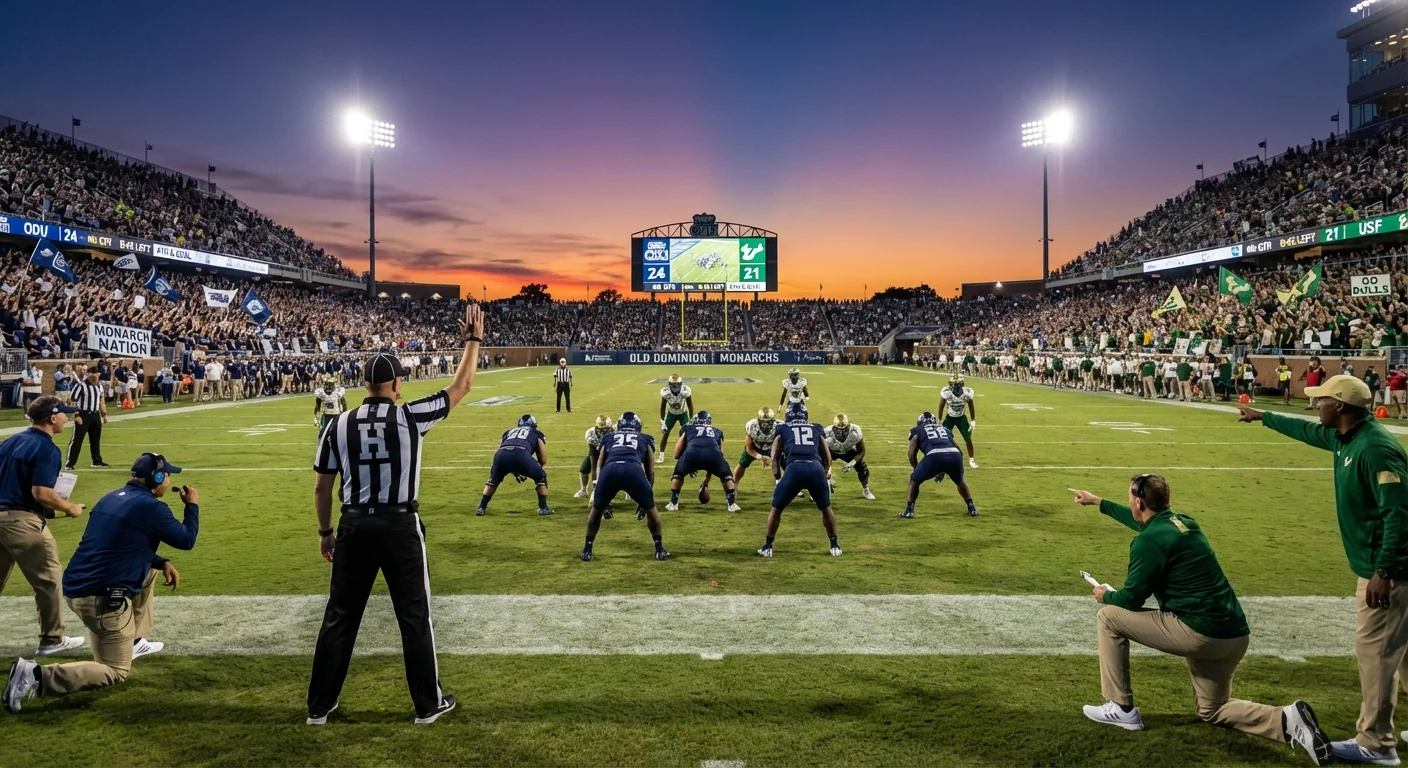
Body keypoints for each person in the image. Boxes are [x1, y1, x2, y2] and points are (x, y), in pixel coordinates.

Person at [1068, 476, 1331, 765]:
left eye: (1130, 498)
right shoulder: (1185, 523)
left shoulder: (1147, 542)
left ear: (1140, 502)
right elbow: (1146, 527)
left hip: (1200, 633)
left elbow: (1131, 599)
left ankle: (1121, 708)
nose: (1129, 502)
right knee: (1212, 709)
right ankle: (1288, 719)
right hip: (1234, 634)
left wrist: (1106, 594)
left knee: (1109, 617)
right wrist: (1099, 502)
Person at [307, 305, 485, 726]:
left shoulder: (338, 424)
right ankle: (427, 704)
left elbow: (321, 486)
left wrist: (326, 532)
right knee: (414, 616)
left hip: (353, 524)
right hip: (400, 525)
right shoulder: (409, 415)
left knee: (339, 617)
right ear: (397, 385)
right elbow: (461, 387)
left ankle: (319, 707)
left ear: (364, 384)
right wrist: (473, 341)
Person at [1242, 375, 1408, 764]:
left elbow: (1398, 513)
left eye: (1323, 401)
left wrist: (1383, 570)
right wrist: (1262, 417)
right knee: (1403, 653)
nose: (1316, 406)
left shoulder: (1375, 448)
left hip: (1389, 571)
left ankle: (1377, 743)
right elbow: (1303, 429)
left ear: (1343, 407)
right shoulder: (1346, 436)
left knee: (1379, 654)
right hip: (1390, 567)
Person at [3, 453, 197, 713]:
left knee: (149, 571)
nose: (169, 479)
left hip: (78, 589)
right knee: (115, 671)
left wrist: (160, 561)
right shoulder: (151, 507)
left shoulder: (111, 497)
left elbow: (117, 543)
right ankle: (36, 675)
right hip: (102, 600)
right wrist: (191, 505)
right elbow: (186, 540)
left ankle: (134, 640)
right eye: (167, 475)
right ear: (157, 477)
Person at [0, 396, 87, 659]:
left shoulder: (11, 441)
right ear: (52, 418)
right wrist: (68, 507)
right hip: (21, 521)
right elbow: (41, 493)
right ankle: (52, 639)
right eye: (65, 415)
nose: (67, 419)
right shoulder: (47, 448)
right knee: (48, 580)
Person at [582, 411, 669, 561]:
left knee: (596, 511)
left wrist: (601, 495)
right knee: (652, 511)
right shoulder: (645, 438)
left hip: (610, 470)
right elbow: (651, 472)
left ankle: (587, 550)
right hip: (633, 470)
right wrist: (646, 499)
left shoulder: (609, 437)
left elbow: (600, 465)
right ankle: (659, 549)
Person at [758, 403, 840, 557]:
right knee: (825, 508)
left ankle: (767, 546)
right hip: (815, 468)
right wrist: (823, 474)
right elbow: (827, 456)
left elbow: (774, 457)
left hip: (794, 469)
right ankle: (835, 545)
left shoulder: (782, 429)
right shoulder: (816, 427)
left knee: (776, 509)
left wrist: (777, 478)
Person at [903, 411, 978, 518]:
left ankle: (909, 510)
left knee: (914, 480)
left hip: (934, 456)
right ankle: (972, 508)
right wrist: (946, 469)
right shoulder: (945, 429)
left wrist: (916, 468)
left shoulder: (916, 430)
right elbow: (959, 451)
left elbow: (911, 454)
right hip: (954, 455)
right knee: (960, 481)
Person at [475, 415, 553, 516]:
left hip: (500, 455)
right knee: (541, 477)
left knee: (493, 481)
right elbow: (542, 459)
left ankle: (481, 507)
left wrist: (516, 471)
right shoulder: (535, 433)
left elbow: (507, 449)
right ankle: (543, 508)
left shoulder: (509, 432)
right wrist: (534, 470)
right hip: (521, 454)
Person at [664, 411, 740, 512]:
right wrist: (707, 479)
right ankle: (731, 504)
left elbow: (677, 454)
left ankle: (673, 503)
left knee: (678, 475)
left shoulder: (688, 429)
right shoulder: (717, 431)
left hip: (691, 454)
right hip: (714, 456)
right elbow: (720, 455)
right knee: (727, 478)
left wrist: (688, 465)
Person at [65, 367, 108, 470]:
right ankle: (70, 463)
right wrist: (76, 415)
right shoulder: (81, 386)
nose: (93, 376)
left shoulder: (99, 386)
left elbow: (101, 400)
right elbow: (71, 401)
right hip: (83, 414)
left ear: (98, 374)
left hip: (95, 415)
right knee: (77, 440)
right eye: (91, 374)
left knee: (95, 440)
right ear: (87, 374)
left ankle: (97, 461)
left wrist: (104, 414)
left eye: (95, 374)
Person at [824, 413, 875, 500]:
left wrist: (851, 463)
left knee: (862, 467)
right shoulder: (826, 432)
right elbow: (821, 451)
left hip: (848, 451)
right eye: (838, 430)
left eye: (844, 429)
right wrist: (827, 466)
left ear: (848, 426)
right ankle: (822, 487)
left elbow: (861, 451)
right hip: (830, 451)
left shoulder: (855, 431)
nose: (841, 432)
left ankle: (866, 489)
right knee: (819, 466)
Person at [939, 375, 978, 469]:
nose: (951, 386)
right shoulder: (947, 392)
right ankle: (942, 459)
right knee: (943, 438)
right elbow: (941, 406)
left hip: (961, 418)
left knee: (968, 439)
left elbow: (971, 406)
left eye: (953, 384)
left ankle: (971, 459)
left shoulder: (967, 393)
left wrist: (973, 420)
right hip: (950, 418)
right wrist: (939, 420)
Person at [657, 374, 693, 465]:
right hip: (671, 414)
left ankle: (686, 456)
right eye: (673, 385)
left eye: (677, 385)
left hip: (683, 413)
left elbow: (690, 404)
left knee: (685, 435)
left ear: (680, 384)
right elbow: (662, 406)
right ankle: (661, 456)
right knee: (665, 433)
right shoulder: (666, 392)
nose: (675, 387)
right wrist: (662, 421)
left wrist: (691, 418)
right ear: (669, 384)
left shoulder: (685, 391)